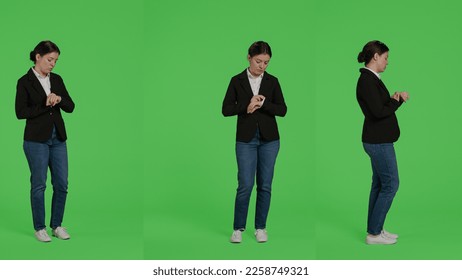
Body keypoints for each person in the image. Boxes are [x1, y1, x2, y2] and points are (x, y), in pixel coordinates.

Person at [222, 41, 287, 243]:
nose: (262, 66)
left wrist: (264, 103)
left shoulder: (273, 81)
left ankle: (260, 227)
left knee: (265, 185)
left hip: (270, 140)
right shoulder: (236, 80)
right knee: (245, 184)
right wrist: (246, 106)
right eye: (259, 61)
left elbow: (283, 110)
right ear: (249, 58)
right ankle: (238, 228)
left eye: (266, 62)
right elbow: (225, 109)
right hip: (245, 140)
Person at [15, 40, 75, 242]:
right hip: (36, 140)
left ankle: (57, 225)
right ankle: (39, 227)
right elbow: (20, 112)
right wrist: (45, 102)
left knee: (61, 183)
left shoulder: (56, 79)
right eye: (50, 59)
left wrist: (58, 98)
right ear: (38, 57)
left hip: (58, 138)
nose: (53, 64)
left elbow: (71, 106)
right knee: (39, 184)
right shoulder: (24, 82)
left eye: (56, 61)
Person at [356, 40, 409, 245]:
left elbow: (379, 107)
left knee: (379, 185)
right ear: (375, 57)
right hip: (378, 142)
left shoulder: (371, 79)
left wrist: (393, 100)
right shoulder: (367, 80)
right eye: (386, 58)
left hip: (378, 140)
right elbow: (378, 113)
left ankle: (375, 229)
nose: (387, 62)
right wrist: (397, 101)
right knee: (391, 184)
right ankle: (374, 234)